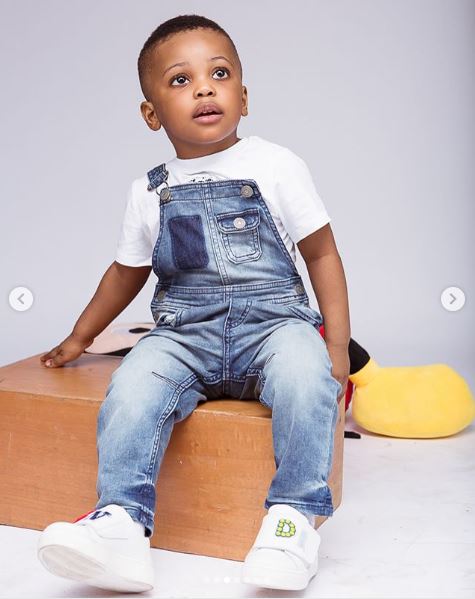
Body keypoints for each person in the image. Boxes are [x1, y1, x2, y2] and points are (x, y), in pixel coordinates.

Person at [36, 13, 351, 594]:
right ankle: (121, 524)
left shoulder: (276, 164)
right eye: (181, 80)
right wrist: (80, 336)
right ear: (151, 113)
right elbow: (125, 273)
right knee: (132, 387)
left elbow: (322, 254)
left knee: (306, 379)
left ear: (244, 98)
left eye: (220, 74)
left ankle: (292, 522)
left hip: (273, 326)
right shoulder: (149, 190)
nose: (205, 89)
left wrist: (334, 345)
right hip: (185, 335)